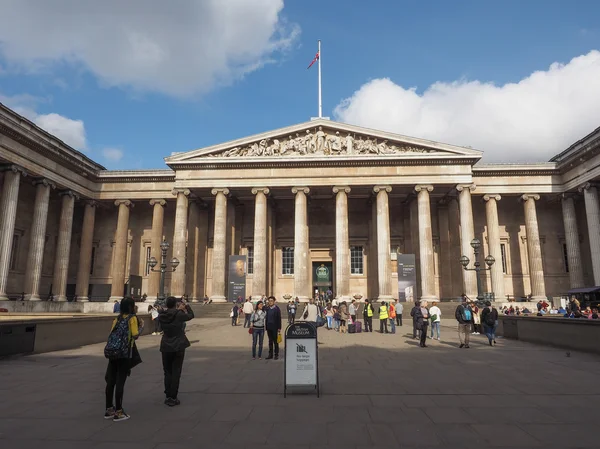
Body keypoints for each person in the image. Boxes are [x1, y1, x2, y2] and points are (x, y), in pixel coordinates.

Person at [104, 297, 139, 422]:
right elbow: (135, 335)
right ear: (131, 307)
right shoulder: (132, 318)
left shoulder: (117, 319)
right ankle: (119, 412)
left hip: (113, 353)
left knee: (110, 381)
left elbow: (111, 333)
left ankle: (109, 409)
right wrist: (141, 328)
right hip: (124, 353)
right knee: (120, 382)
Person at [159, 295, 194, 407]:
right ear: (175, 304)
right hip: (178, 345)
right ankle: (173, 397)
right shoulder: (179, 314)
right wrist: (186, 305)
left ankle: (168, 395)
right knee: (176, 372)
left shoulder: (162, 315)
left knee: (167, 372)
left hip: (166, 345)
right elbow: (191, 315)